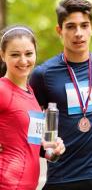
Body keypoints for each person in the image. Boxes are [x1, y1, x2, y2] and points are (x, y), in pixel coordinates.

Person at [29, 0, 92, 190]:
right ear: (59, 30)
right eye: (70, 26)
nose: (78, 33)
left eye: (84, 25)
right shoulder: (43, 75)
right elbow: (27, 124)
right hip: (62, 178)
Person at [0, 25, 65, 190]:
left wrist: (52, 149)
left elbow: (27, 142)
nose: (23, 60)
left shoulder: (31, 92)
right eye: (15, 55)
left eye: (28, 54)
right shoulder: (2, 89)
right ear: (2, 55)